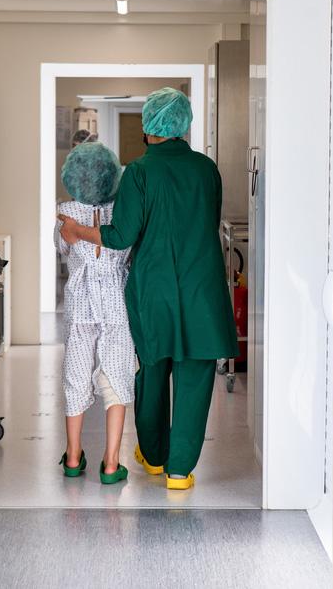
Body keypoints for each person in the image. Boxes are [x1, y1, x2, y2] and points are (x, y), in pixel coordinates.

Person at [58, 87, 237, 490]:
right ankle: (179, 471)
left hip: (154, 290)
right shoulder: (207, 169)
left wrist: (76, 230)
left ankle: (153, 457)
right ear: (183, 125)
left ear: (149, 125)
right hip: (202, 289)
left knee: (154, 369)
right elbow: (206, 222)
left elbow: (120, 237)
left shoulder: (138, 172)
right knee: (195, 376)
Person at [54, 142, 134, 484]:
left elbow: (62, 247)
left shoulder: (65, 212)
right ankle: (112, 463)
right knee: (117, 375)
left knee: (76, 372)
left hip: (80, 301)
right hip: (117, 299)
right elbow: (129, 245)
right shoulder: (123, 211)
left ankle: (73, 457)